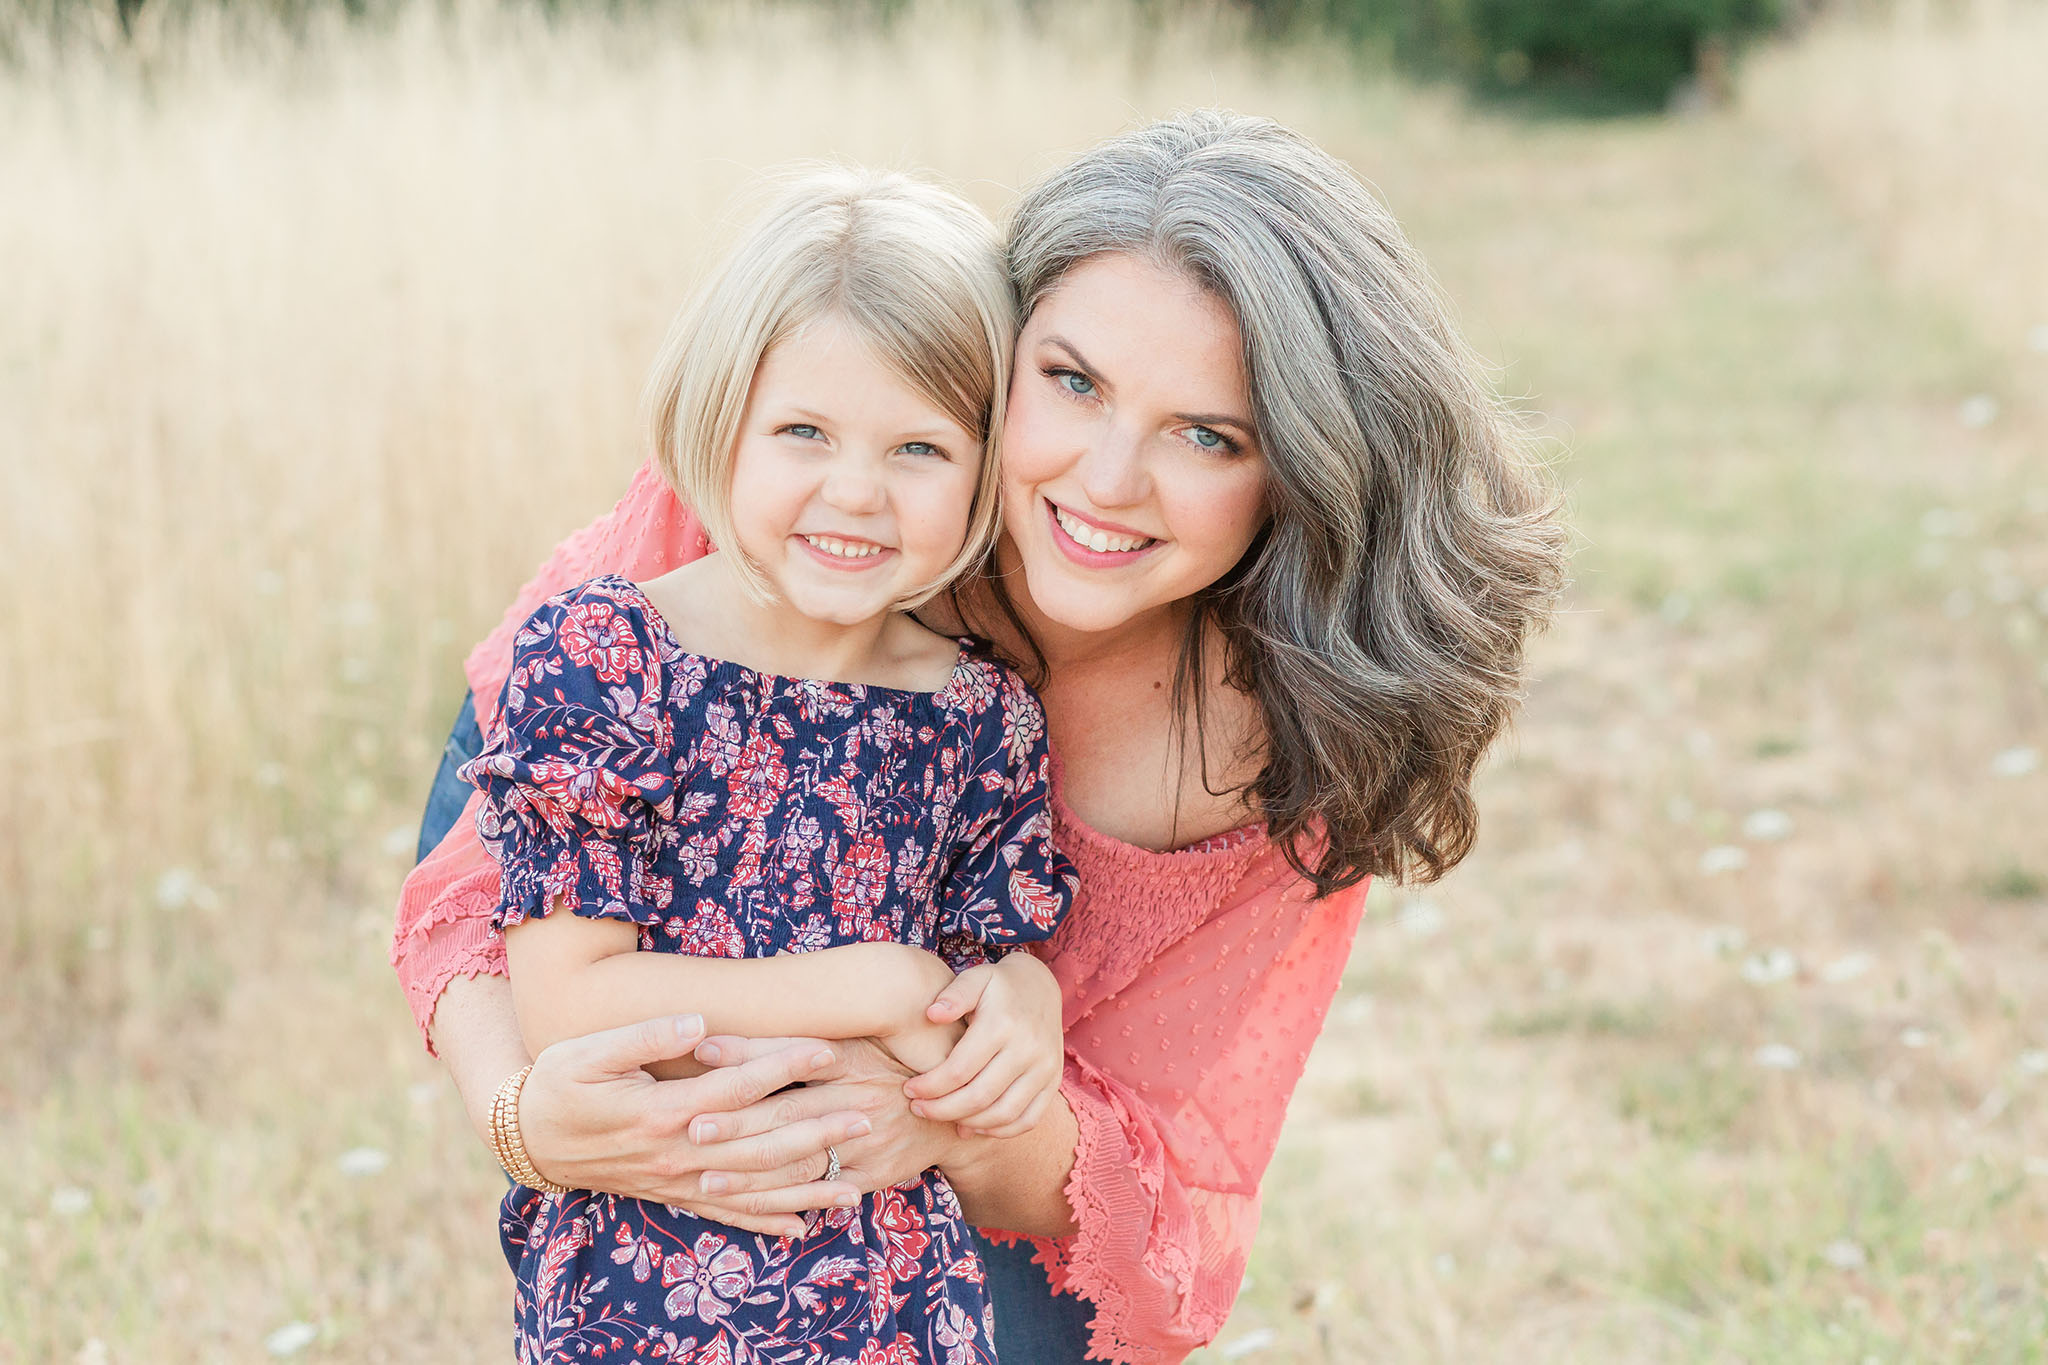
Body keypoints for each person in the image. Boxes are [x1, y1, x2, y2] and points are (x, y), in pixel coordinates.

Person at [394, 110, 1567, 1364]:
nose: (1106, 479)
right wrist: (521, 1113)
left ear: (1301, 473)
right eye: (1070, 382)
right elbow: (483, 903)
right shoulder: (801, 523)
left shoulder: (1272, 733)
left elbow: (1143, 1184)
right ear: (993, 361)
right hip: (580, 824)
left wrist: (957, 1104)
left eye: (1206, 434)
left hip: (935, 1136)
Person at [456, 167, 1079, 1363]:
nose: (855, 491)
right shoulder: (606, 658)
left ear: (988, 467)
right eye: (803, 432)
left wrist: (1022, 998)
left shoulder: (978, 717)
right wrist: (885, 985)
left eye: (918, 448)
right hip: (643, 1281)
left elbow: (970, 1016)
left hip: (889, 1288)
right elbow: (572, 1003)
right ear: (720, 422)